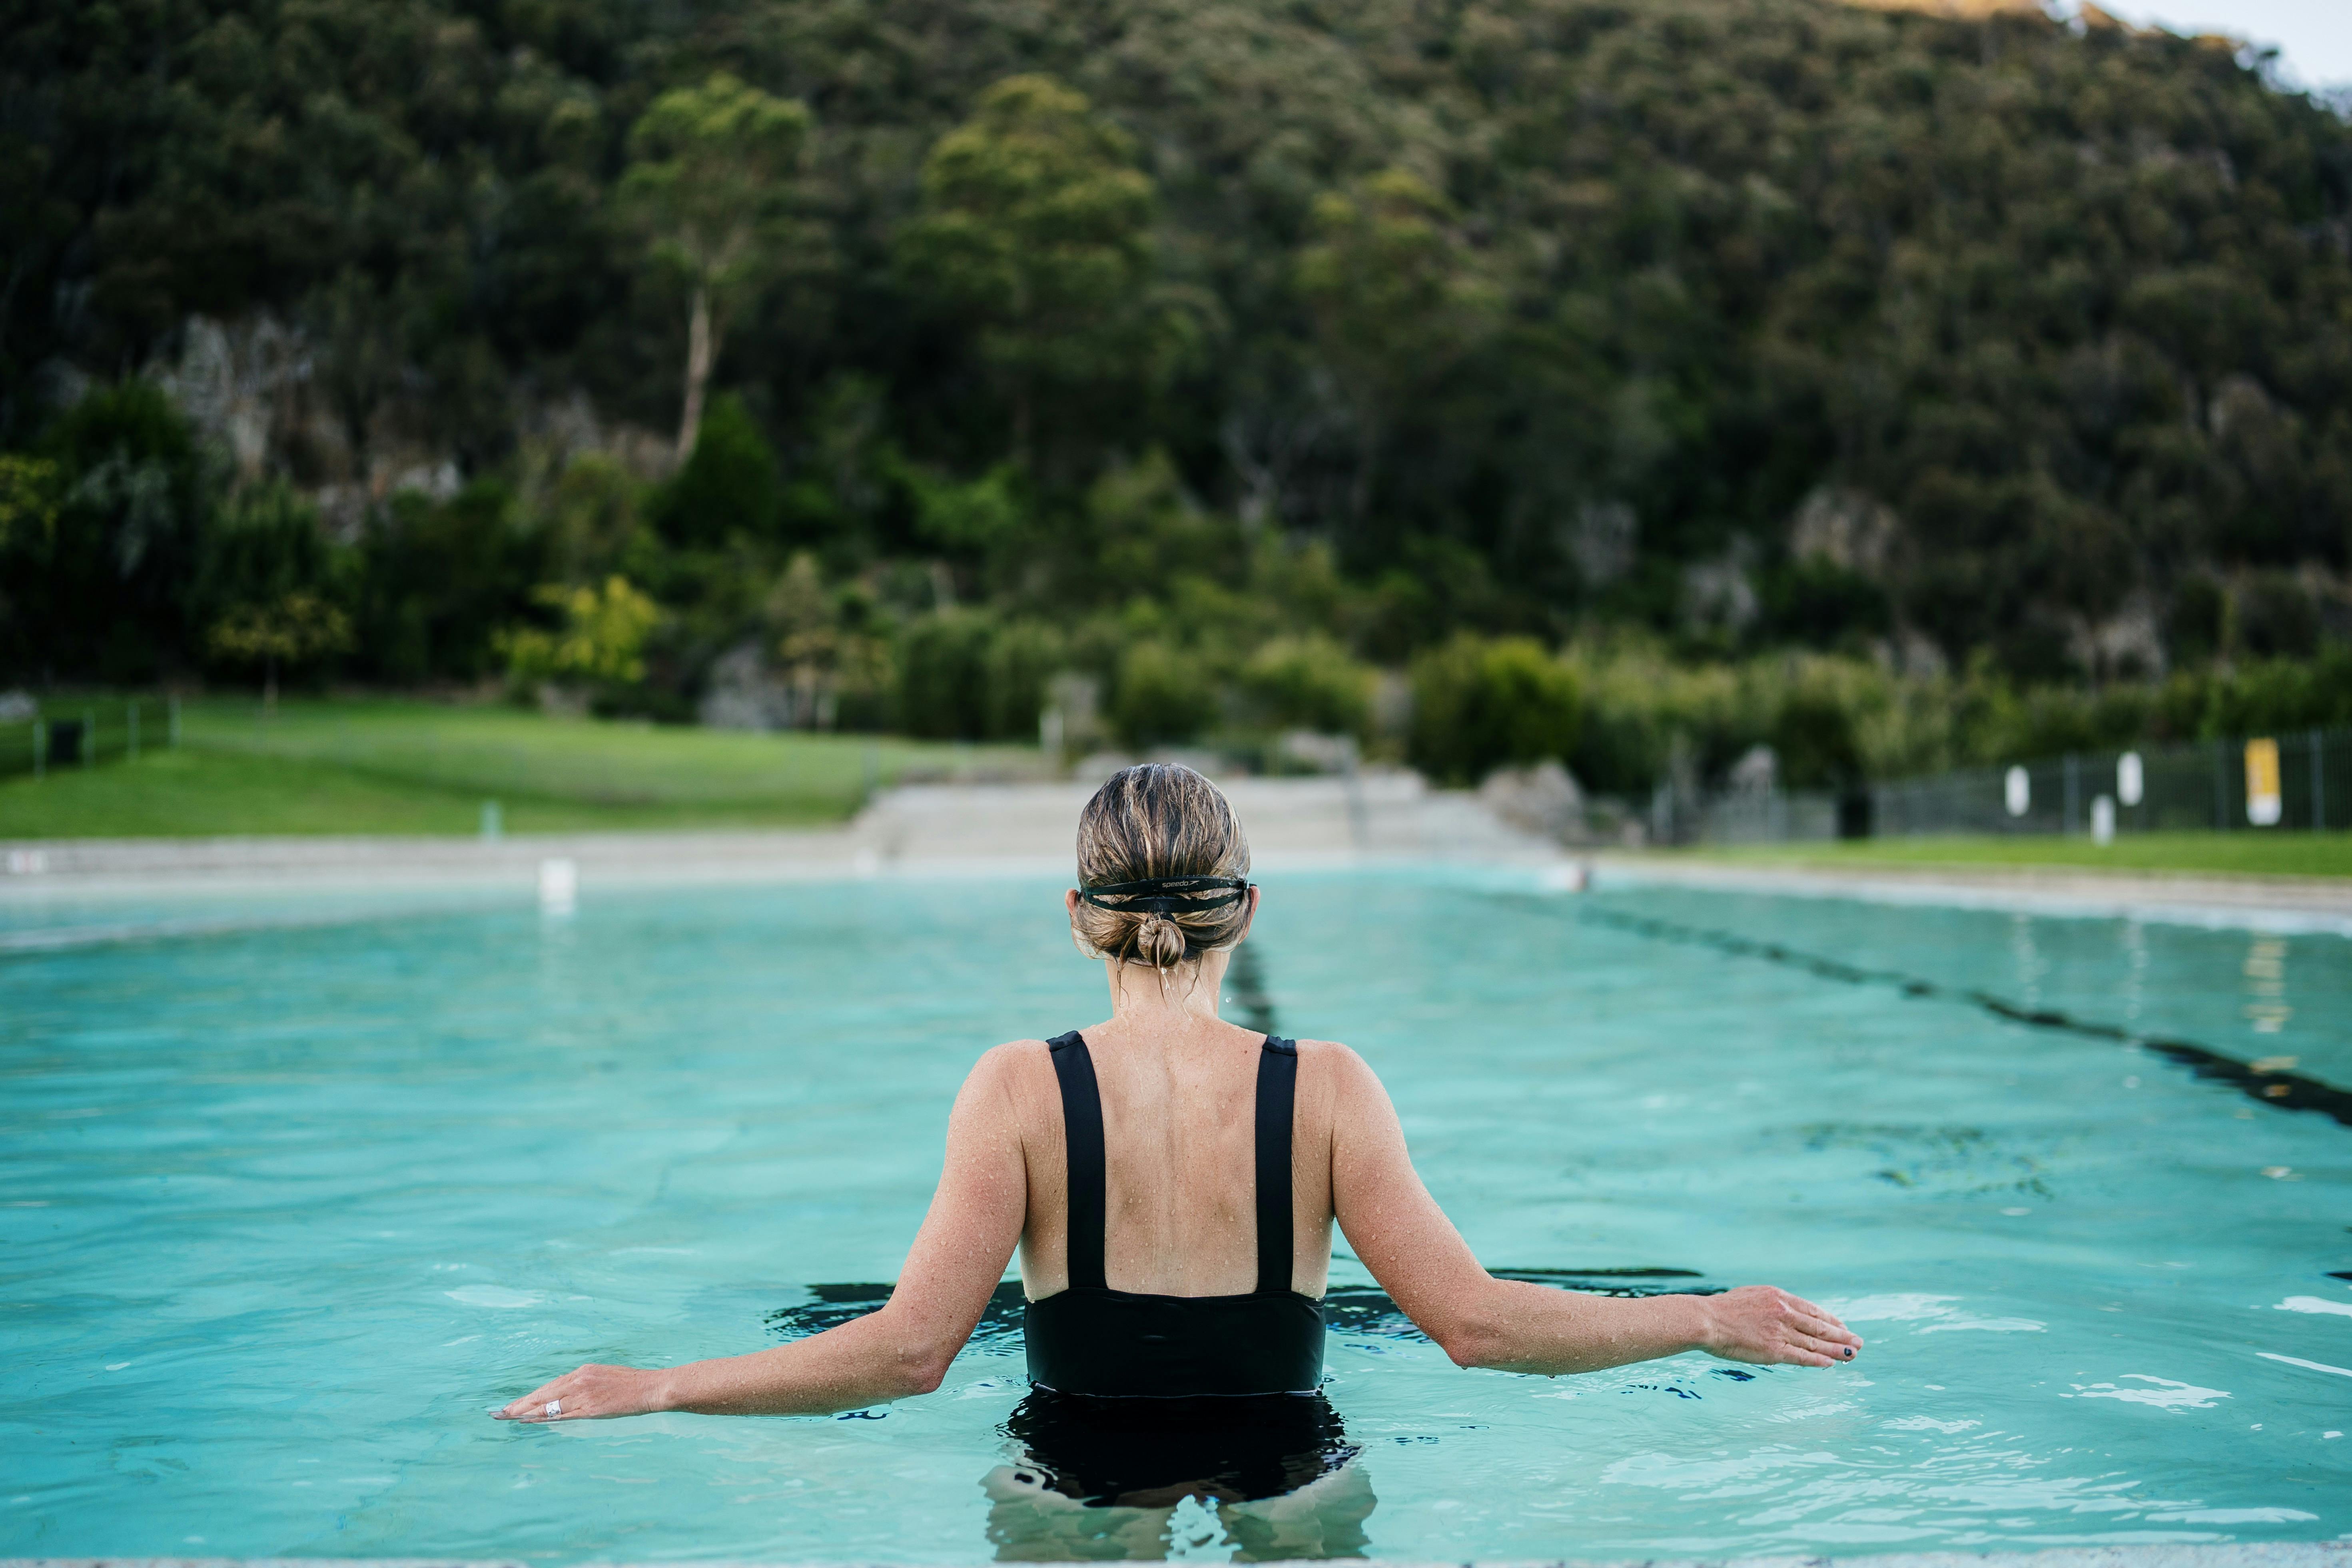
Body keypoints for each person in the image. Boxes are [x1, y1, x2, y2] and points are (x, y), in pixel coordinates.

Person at [494, 763, 1862, 1466]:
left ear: (1081, 916)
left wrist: (654, 1381)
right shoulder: (1325, 1087)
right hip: (1294, 1460)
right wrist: (1704, 1314)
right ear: (1244, 914)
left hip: (1065, 1470)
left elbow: (912, 1352)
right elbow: (1477, 1323)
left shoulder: (1016, 1089)